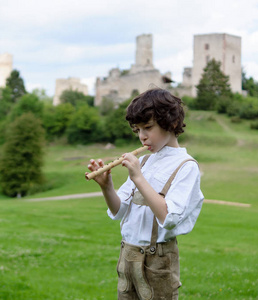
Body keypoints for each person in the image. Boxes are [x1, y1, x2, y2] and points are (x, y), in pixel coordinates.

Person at [86, 88, 204, 300]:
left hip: (157, 260)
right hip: (128, 256)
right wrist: (106, 186)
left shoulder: (186, 166)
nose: (142, 137)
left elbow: (168, 218)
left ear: (172, 123)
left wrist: (139, 178)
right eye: (138, 130)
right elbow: (119, 210)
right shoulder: (145, 161)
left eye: (148, 127)